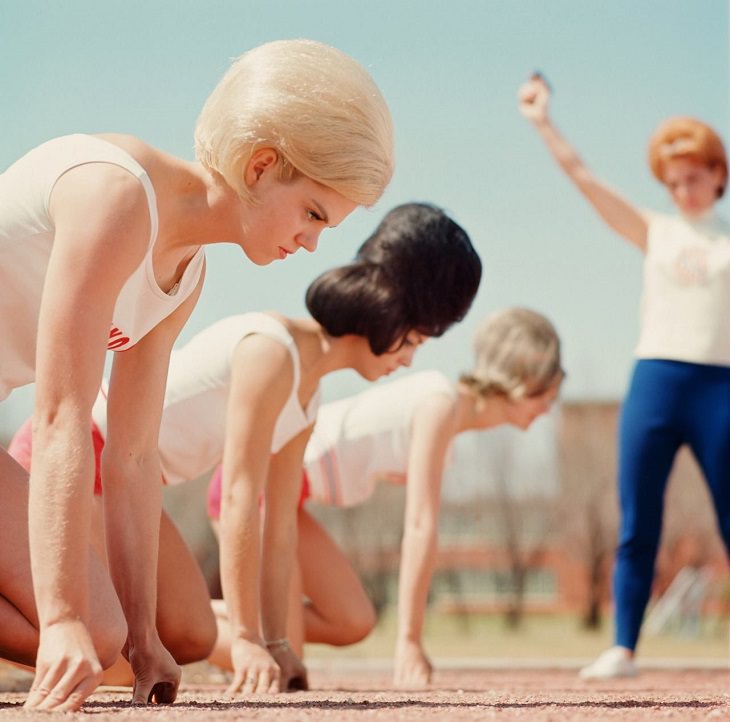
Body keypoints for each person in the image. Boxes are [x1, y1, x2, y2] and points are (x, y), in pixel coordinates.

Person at [0, 38, 394, 711]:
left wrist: (146, 636)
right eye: (314, 213)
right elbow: (63, 412)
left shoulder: (185, 276)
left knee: (172, 632)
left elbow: (130, 455)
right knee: (92, 635)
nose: (313, 244)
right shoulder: (116, 194)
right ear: (262, 164)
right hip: (53, 426)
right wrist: (62, 619)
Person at [11, 202, 482, 694]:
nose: (409, 361)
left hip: (127, 483)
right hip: (76, 459)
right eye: (414, 342)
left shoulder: (309, 394)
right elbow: (236, 497)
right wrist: (245, 638)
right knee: (118, 659)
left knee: (192, 637)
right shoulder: (272, 350)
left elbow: (276, 525)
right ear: (387, 315)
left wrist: (275, 641)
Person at [207, 306, 563, 688]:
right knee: (283, 672)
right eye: (545, 393)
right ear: (519, 379)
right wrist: (409, 641)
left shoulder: (445, 431)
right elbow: (420, 526)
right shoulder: (438, 403)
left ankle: (220, 616)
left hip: (286, 502)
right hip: (255, 488)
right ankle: (184, 621)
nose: (547, 408)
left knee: (353, 621)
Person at [518, 73, 730, 679]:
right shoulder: (654, 230)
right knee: (639, 518)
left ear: (719, 174)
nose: (683, 190)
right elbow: (584, 178)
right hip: (656, 384)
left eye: (693, 177)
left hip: (720, 389)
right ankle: (623, 648)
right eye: (672, 182)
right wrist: (541, 120)